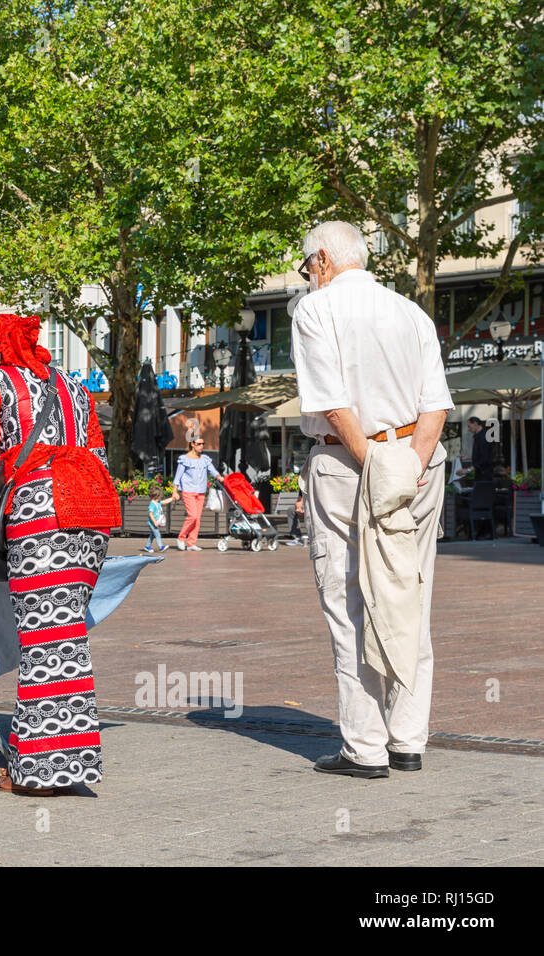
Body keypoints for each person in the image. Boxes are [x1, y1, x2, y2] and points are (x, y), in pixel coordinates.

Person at [291, 220, 452, 779]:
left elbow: (334, 404)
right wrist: (410, 464)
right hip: (418, 460)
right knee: (412, 591)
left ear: (322, 260)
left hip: (345, 462)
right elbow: (436, 403)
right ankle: (408, 738)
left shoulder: (316, 310)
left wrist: (377, 465)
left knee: (347, 602)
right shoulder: (412, 312)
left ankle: (365, 747)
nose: (307, 275)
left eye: (306, 266)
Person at [0, 312, 119, 797]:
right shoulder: (73, 385)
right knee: (63, 639)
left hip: (41, 512)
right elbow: (99, 456)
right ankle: (58, 765)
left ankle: (42, 775)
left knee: (44, 643)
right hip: (93, 512)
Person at [169, 438, 219, 550]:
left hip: (201, 491)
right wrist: (175, 490)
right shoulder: (185, 459)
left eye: (203, 443)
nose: (201, 446)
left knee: (197, 518)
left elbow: (213, 471)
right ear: (192, 444)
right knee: (193, 516)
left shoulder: (205, 459)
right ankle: (181, 538)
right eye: (198, 444)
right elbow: (178, 476)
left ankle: (191, 543)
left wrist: (220, 477)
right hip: (188, 491)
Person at [144, 487, 167, 554]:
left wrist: (172, 498)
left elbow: (165, 501)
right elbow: (150, 514)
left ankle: (147, 546)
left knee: (152, 535)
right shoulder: (152, 504)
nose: (161, 497)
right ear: (157, 496)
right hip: (152, 523)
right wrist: (154, 522)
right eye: (160, 496)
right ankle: (161, 547)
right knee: (157, 534)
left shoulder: (157, 502)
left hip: (155, 523)